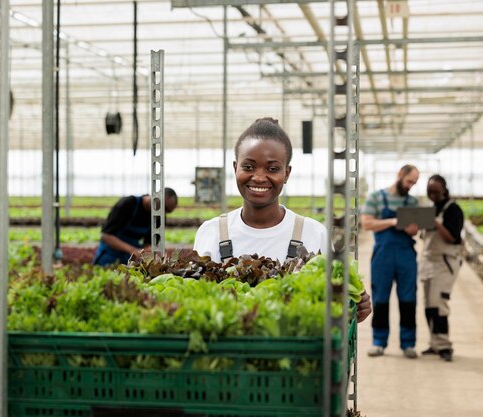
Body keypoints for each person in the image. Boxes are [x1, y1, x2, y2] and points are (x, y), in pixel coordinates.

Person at [193, 117, 371, 323]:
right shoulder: (212, 231)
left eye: (272, 169)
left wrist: (353, 305)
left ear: (287, 173)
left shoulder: (312, 233)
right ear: (235, 168)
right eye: (248, 167)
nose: (259, 177)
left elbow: (330, 304)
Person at [361, 164, 420, 358]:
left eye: (414, 183)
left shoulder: (412, 202)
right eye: (409, 181)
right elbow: (367, 222)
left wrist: (411, 228)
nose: (411, 185)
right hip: (383, 255)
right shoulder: (376, 197)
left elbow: (415, 229)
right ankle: (378, 342)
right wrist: (393, 222)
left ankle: (408, 343)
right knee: (380, 298)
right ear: (400, 175)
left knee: (408, 299)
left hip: (406, 254)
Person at [418, 175, 464, 362]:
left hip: (445, 262)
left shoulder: (453, 209)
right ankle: (434, 343)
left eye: (436, 191)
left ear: (444, 189)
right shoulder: (431, 208)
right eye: (430, 191)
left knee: (439, 304)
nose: (433, 194)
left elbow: (451, 237)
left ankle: (444, 345)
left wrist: (436, 223)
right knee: (429, 304)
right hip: (429, 261)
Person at [93, 188, 179, 266]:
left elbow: (148, 244)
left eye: (168, 211)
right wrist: (132, 250)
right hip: (109, 255)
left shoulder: (159, 217)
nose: (163, 212)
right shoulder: (129, 204)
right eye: (164, 208)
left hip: (129, 259)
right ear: (157, 196)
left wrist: (147, 252)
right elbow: (106, 236)